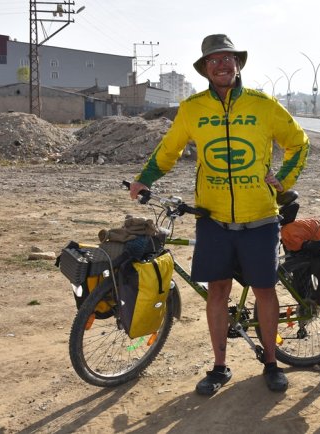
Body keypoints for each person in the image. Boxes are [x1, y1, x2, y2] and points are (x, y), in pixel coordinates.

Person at [128, 34, 310, 395]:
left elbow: (299, 142)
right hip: (212, 218)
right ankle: (219, 366)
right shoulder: (192, 108)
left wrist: (283, 180)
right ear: (205, 69)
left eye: (228, 59)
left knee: (264, 290)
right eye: (215, 60)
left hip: (259, 216)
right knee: (217, 291)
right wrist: (144, 178)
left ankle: (271, 363)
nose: (223, 65)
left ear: (238, 64)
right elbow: (169, 150)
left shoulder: (264, 105)